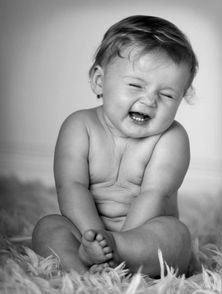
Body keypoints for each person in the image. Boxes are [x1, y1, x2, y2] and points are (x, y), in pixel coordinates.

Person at [32, 15, 198, 278]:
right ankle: (81, 271)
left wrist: (115, 245)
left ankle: (115, 263)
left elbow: (154, 195)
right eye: (135, 85)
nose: (150, 100)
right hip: (85, 232)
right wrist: (94, 239)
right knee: (47, 227)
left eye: (167, 95)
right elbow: (71, 187)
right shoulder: (79, 126)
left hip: (142, 237)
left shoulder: (171, 138)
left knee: (176, 236)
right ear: (99, 81)